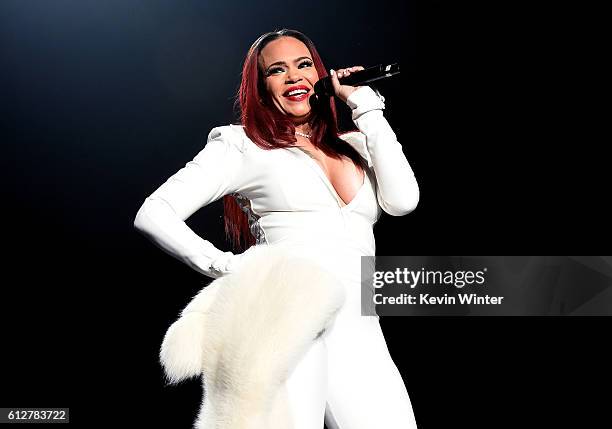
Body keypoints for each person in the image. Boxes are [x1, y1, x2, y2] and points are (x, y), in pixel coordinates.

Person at [134, 29, 419, 429]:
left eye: (304, 65)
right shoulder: (242, 146)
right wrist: (233, 270)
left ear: (320, 74)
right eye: (277, 70)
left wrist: (365, 106)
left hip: (361, 329)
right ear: (261, 86)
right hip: (285, 318)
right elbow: (154, 212)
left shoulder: (355, 143)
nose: (294, 78)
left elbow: (403, 200)